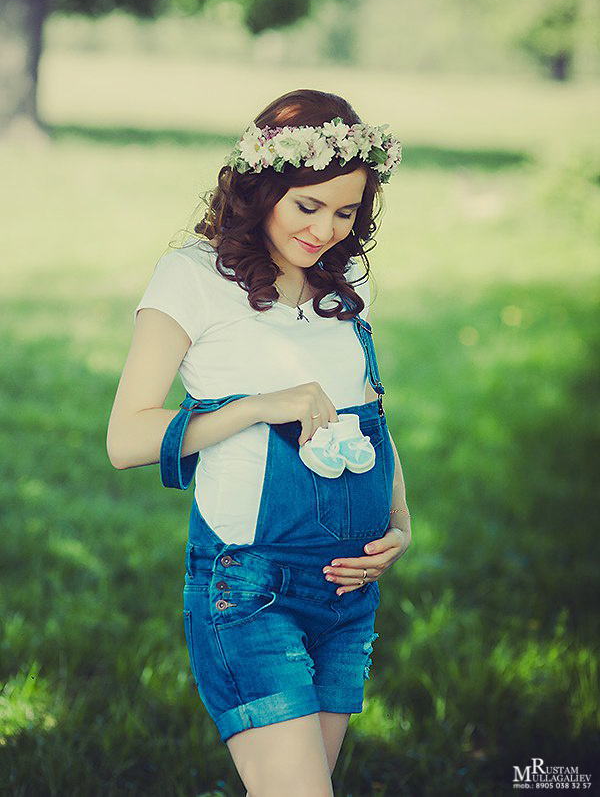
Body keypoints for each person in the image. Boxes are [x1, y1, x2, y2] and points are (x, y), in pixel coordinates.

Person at [106, 88, 411, 797]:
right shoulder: (192, 276)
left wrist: (402, 525)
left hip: (347, 593)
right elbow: (125, 438)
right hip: (251, 588)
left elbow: (372, 421)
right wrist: (256, 407)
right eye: (308, 206)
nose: (325, 230)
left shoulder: (339, 290)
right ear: (263, 186)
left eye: (345, 212)